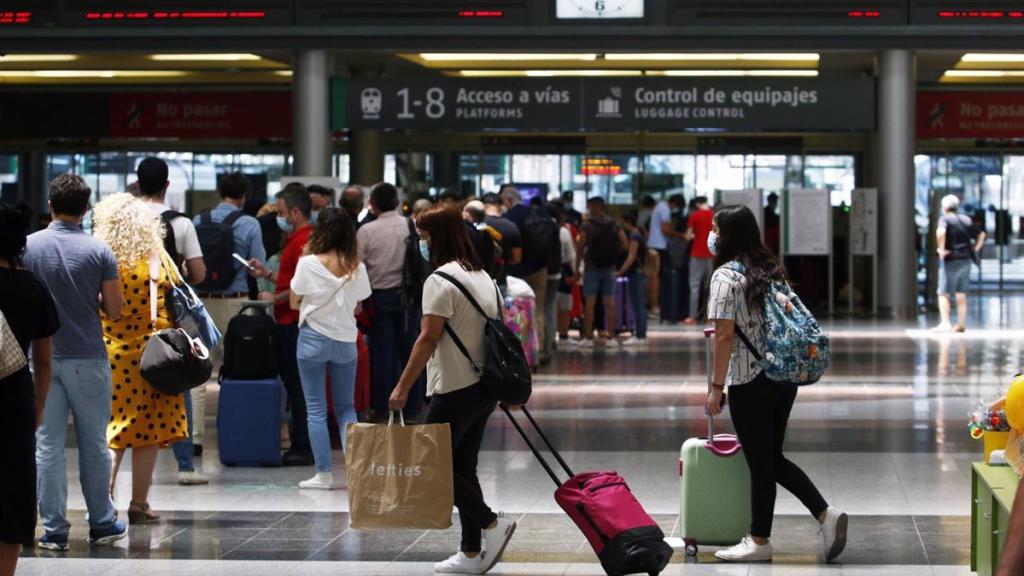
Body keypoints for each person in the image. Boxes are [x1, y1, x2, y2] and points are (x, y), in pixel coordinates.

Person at [705, 205, 846, 563]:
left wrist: (716, 387)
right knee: (770, 458)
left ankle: (761, 541)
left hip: (749, 377)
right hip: (783, 375)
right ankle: (823, 517)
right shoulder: (770, 270)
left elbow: (723, 337)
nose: (712, 234)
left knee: (761, 462)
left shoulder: (725, 277)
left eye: (715, 228)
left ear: (729, 234)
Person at [388, 206, 516, 575]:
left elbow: (428, 338)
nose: (421, 245)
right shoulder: (484, 277)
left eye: (424, 237)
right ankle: (471, 552)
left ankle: (492, 523)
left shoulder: (439, 281)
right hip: (483, 387)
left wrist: (401, 388)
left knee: (430, 465)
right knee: (463, 467)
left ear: (438, 237)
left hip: (454, 387)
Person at [25, 174, 127, 551]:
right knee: (95, 444)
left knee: (47, 445)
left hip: (41, 358)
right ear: (86, 209)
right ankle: (102, 523)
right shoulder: (99, 251)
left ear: (50, 204)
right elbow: (115, 309)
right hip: (88, 357)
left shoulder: (27, 248)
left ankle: (54, 530)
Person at [90, 193, 189, 525]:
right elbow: (180, 294)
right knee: (149, 432)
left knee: (114, 431)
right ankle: (139, 503)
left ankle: (104, 502)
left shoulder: (101, 258)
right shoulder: (155, 257)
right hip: (155, 357)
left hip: (111, 354)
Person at [290, 208, 371, 490]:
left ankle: (323, 475)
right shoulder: (356, 267)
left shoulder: (308, 262)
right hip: (346, 340)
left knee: (315, 409)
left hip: (313, 338)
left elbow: (293, 300)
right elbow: (361, 301)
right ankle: (357, 475)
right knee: (347, 408)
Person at [190, 172, 266, 471]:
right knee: (235, 371)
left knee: (199, 371)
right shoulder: (249, 223)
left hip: (202, 302)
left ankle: (195, 439)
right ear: (244, 195)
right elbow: (257, 265)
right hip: (235, 303)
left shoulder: (198, 222)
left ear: (220, 192)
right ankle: (233, 432)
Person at [0, 203, 60, 573]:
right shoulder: (32, 286)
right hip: (14, 396)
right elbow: (45, 359)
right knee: (12, 487)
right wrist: (38, 405)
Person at [251, 183, 315, 466]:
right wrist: (268, 273)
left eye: (282, 212)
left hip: (292, 322)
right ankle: (302, 443)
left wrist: (273, 296)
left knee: (298, 386)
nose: (280, 217)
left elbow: (302, 287)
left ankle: (302, 445)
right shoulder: (299, 239)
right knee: (297, 384)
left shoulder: (303, 241)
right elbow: (293, 279)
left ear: (296, 212)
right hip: (291, 320)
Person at [356, 183, 425, 421]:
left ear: (372, 205)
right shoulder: (411, 225)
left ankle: (382, 409)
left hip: (378, 297)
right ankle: (413, 409)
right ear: (397, 202)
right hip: (410, 297)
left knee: (382, 356)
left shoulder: (366, 231)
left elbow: (358, 266)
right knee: (412, 355)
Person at [503, 185, 558, 362]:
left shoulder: (510, 217)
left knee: (517, 312)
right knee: (539, 310)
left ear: (509, 200)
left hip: (517, 272)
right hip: (540, 269)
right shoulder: (541, 215)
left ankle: (520, 352)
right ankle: (541, 351)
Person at [136, 156, 206, 285]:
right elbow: (198, 273)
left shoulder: (121, 220)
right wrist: (181, 281)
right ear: (166, 184)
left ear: (137, 184)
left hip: (128, 301)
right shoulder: (182, 223)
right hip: (166, 301)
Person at [576, 196, 628, 348]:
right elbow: (624, 244)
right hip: (609, 267)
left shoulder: (587, 226)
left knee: (589, 304)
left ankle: (588, 338)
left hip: (592, 267)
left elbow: (580, 247)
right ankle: (611, 337)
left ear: (595, 207)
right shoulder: (614, 225)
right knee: (610, 303)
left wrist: (578, 266)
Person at [935, 194, 984, 333]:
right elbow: (981, 234)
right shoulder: (966, 219)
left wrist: (941, 249)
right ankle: (961, 323)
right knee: (961, 292)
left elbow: (940, 232)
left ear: (945, 207)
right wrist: (975, 248)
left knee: (944, 292)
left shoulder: (944, 219)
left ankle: (945, 323)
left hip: (951, 259)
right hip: (966, 259)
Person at [647, 194, 688, 321]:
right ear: (675, 202)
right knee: (657, 277)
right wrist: (681, 235)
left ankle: (654, 306)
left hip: (654, 244)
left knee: (654, 276)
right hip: (660, 246)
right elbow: (665, 229)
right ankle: (655, 307)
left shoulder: (659, 206)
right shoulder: (665, 209)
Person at [616, 212, 648, 346]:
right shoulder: (639, 235)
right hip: (638, 274)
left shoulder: (634, 236)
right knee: (639, 305)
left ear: (627, 222)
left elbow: (631, 256)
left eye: (623, 223)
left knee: (637, 306)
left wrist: (620, 271)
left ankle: (640, 336)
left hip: (634, 274)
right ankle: (641, 334)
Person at [683, 196, 715, 325]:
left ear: (697, 204)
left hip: (697, 254)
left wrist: (693, 235)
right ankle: (711, 317)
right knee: (710, 286)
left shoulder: (695, 215)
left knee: (694, 285)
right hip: (712, 254)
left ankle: (692, 316)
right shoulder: (715, 215)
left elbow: (687, 236)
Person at [481, 193, 522, 290]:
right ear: (500, 206)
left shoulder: (475, 224)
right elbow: (517, 258)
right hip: (500, 281)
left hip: (477, 281)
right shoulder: (511, 227)